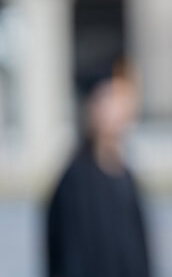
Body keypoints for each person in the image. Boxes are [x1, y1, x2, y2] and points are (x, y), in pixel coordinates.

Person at [46, 61, 151, 277]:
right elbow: (70, 258)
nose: (119, 109)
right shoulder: (76, 181)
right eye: (110, 99)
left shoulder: (125, 175)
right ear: (92, 108)